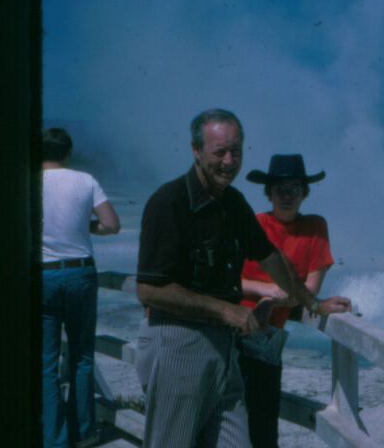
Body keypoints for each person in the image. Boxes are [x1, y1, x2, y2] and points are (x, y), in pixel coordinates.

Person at [134, 109, 351, 448]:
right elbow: (149, 289)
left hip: (226, 348)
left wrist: (313, 303)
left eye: (235, 151)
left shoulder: (233, 203)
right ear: (196, 150)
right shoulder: (170, 202)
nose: (229, 161)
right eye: (219, 151)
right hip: (178, 341)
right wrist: (226, 310)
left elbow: (270, 256)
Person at [239, 154, 335, 448]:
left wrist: (276, 299)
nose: (287, 195)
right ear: (268, 193)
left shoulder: (315, 227)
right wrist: (266, 290)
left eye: (294, 188)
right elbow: (227, 281)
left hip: (267, 338)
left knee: (262, 425)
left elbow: (310, 289)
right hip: (232, 328)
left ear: (304, 193)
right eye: (279, 189)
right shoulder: (254, 224)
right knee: (231, 418)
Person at [41, 127, 121, 448]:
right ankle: (84, 433)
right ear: (68, 153)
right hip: (80, 273)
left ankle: (54, 439)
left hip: (44, 275)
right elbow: (112, 224)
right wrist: (83, 227)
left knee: (46, 363)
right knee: (82, 356)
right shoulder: (85, 180)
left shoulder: (28, 181)